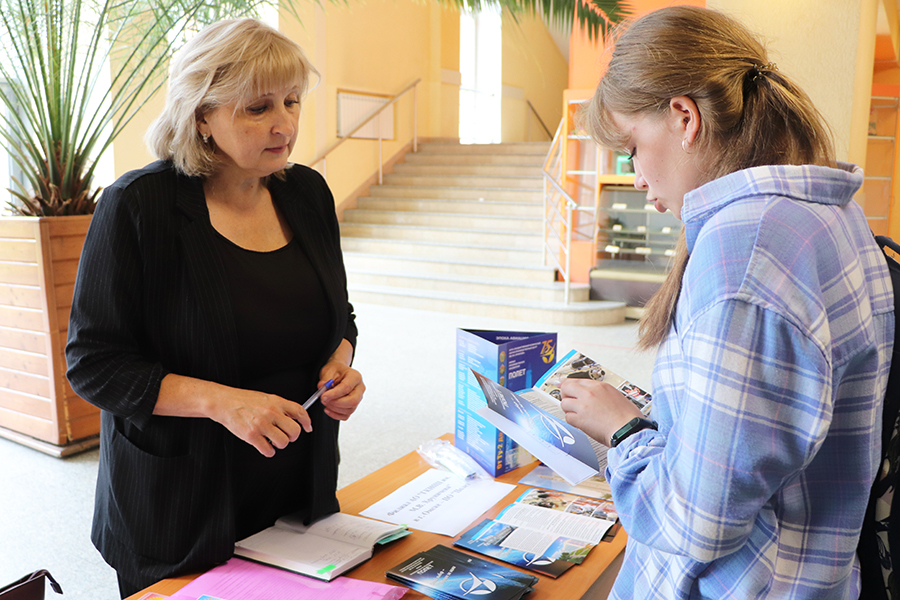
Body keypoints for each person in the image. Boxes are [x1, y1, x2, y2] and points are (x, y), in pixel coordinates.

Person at [558, 6, 894, 599]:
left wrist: (624, 430)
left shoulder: (743, 250)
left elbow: (696, 523)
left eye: (632, 147)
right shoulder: (825, 211)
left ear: (684, 117)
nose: (635, 175)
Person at [65, 18, 364, 598]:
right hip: (181, 498)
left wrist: (341, 361)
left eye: (293, 101)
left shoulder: (306, 193)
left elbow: (339, 313)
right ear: (202, 115)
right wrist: (222, 403)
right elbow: (93, 363)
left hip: (294, 485)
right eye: (257, 108)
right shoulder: (137, 206)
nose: (286, 125)